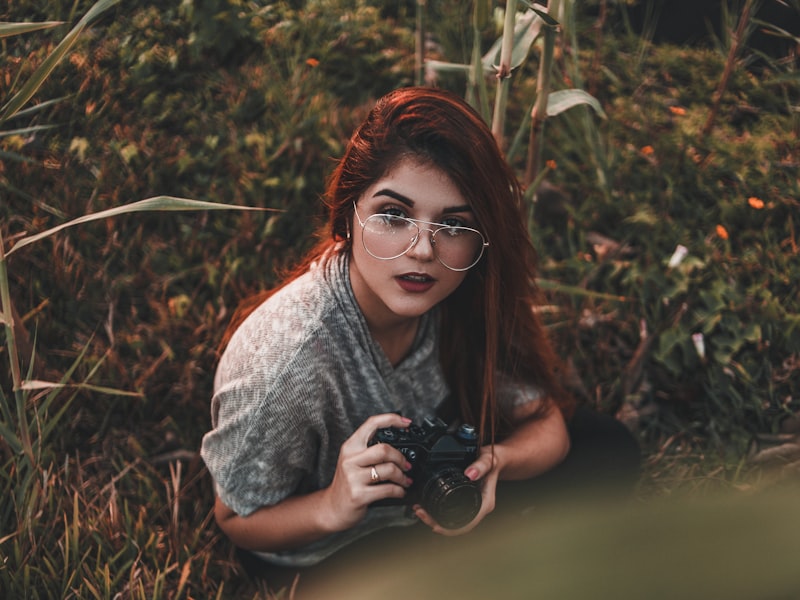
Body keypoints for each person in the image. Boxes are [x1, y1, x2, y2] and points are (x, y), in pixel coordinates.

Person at [200, 86, 640, 591]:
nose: (423, 250)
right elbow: (237, 521)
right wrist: (335, 504)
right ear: (349, 214)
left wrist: (493, 466)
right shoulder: (285, 362)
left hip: (437, 502)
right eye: (393, 214)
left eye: (454, 224)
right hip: (335, 549)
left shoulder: (459, 293)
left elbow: (547, 424)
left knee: (608, 449)